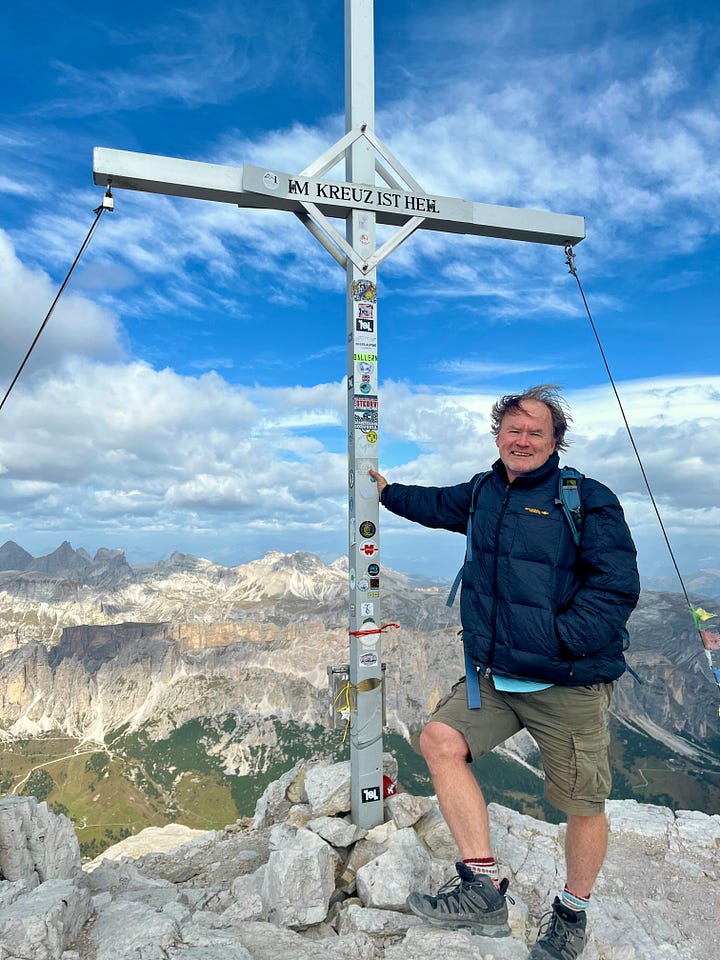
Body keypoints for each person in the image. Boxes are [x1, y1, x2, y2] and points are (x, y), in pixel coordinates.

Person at [369, 384, 639, 960]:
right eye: (513, 429)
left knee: (582, 803)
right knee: (440, 741)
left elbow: (616, 588)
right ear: (498, 437)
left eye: (536, 432)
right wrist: (386, 492)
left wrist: (557, 642)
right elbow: (434, 503)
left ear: (555, 442)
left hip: (566, 682)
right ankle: (483, 888)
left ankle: (571, 913)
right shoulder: (483, 492)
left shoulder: (588, 499)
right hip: (495, 676)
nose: (523, 440)